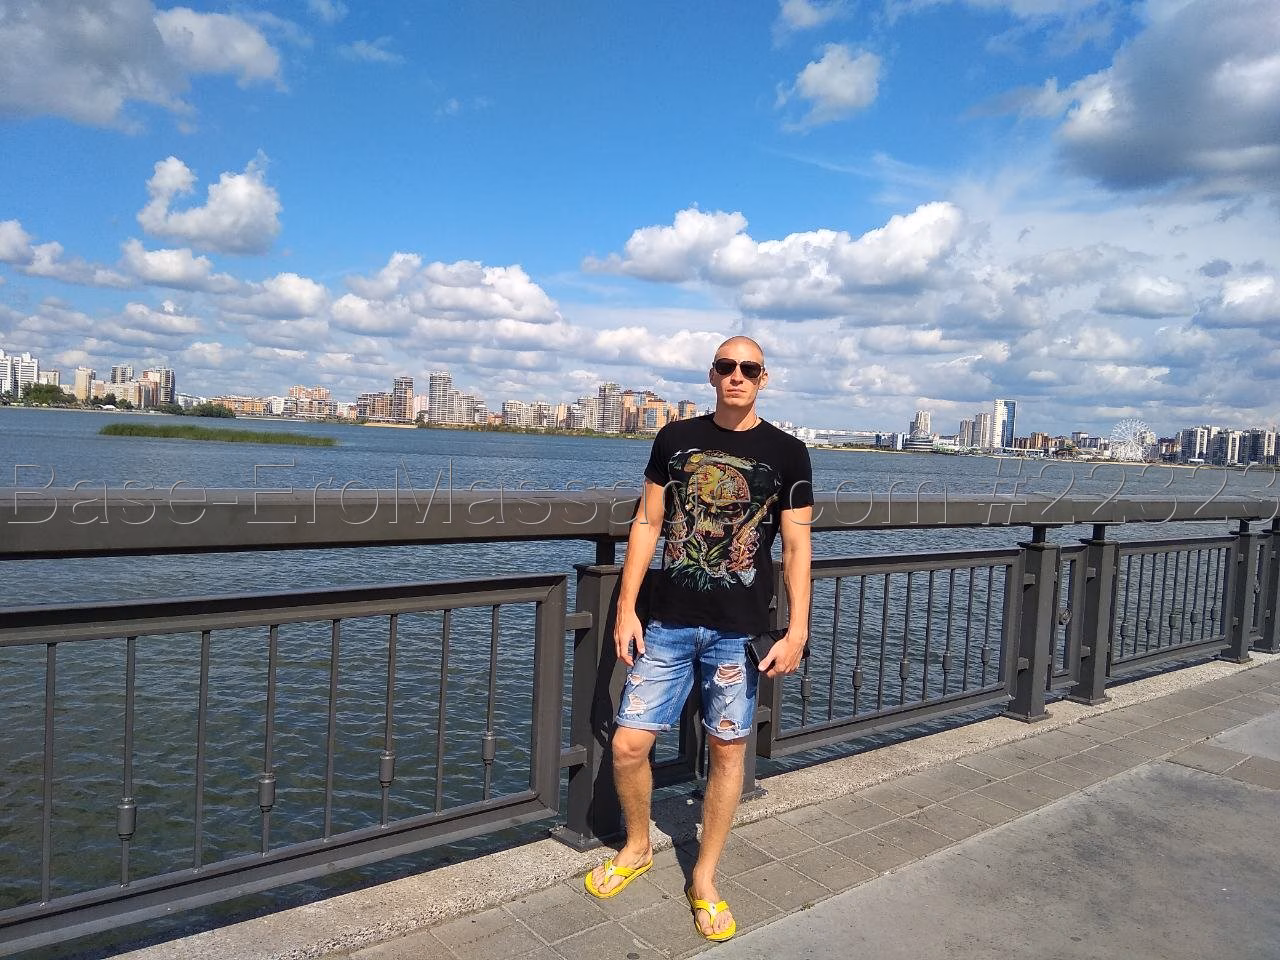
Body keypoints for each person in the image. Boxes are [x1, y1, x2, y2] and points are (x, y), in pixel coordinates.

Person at [584, 336, 813, 942]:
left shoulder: (788, 453)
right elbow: (648, 522)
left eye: (749, 369)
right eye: (726, 367)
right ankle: (638, 846)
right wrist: (626, 609)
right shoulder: (674, 439)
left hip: (739, 632)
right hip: (668, 622)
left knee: (727, 751)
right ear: (712, 375)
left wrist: (797, 630)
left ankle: (705, 878)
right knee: (629, 744)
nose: (737, 376)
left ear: (763, 378)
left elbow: (796, 546)